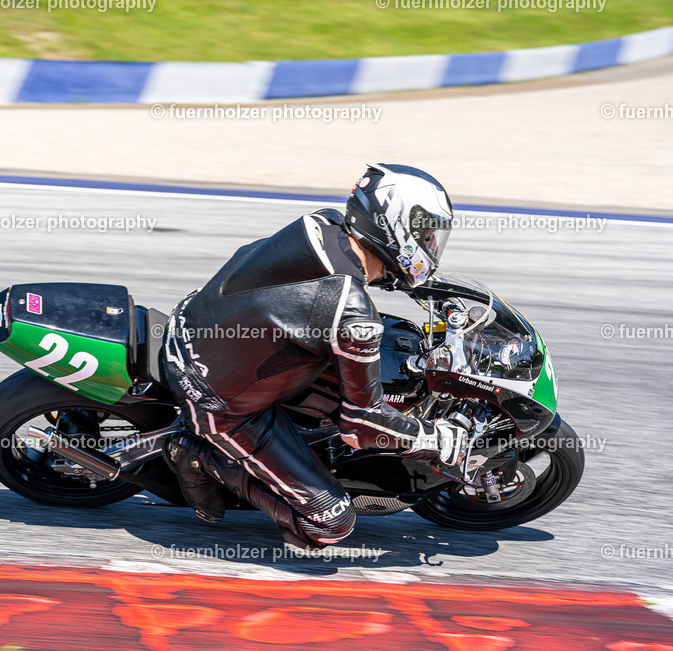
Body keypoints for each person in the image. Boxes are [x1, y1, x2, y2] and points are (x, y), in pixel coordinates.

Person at [162, 163, 466, 550]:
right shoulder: (351, 312)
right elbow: (363, 426)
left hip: (190, 325)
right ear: (396, 226)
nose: (430, 246)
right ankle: (199, 453)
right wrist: (434, 438)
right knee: (331, 523)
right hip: (215, 400)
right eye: (426, 235)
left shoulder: (323, 225)